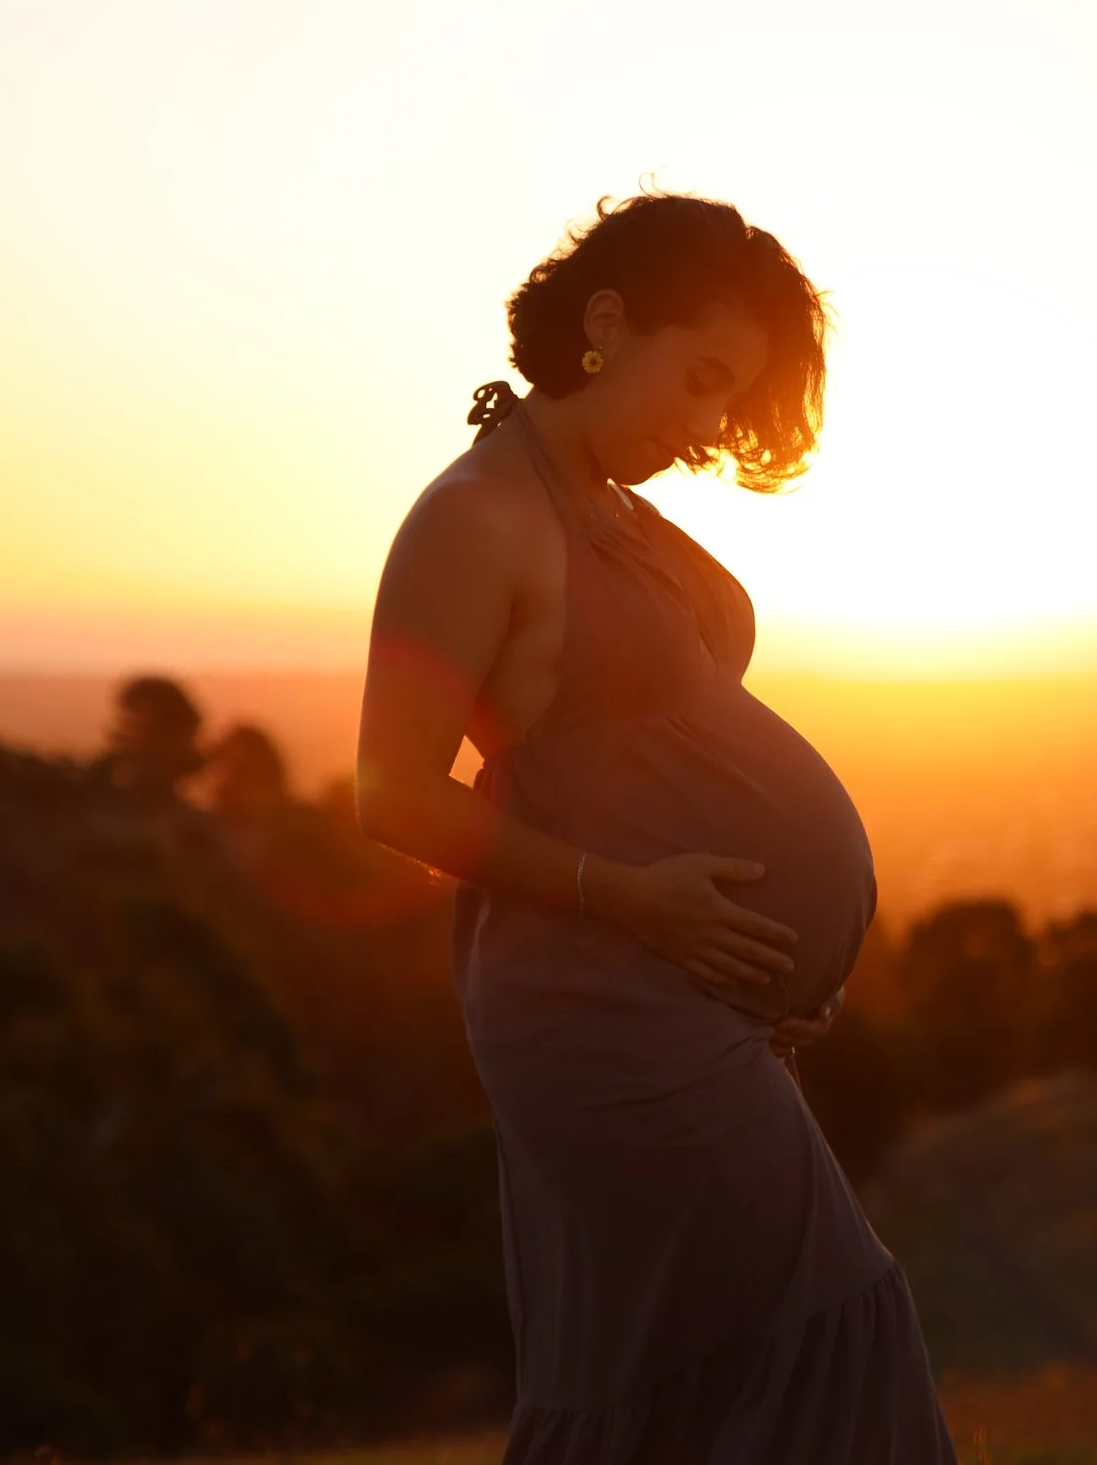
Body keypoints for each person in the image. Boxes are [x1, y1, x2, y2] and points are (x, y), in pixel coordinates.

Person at [355, 192, 957, 1463]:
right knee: (828, 1335)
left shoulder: (612, 509)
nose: (700, 432)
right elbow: (391, 791)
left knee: (702, 1384)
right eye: (695, 383)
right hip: (592, 1000)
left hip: (681, 997)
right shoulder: (477, 517)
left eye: (722, 403)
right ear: (608, 319)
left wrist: (771, 963)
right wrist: (637, 901)